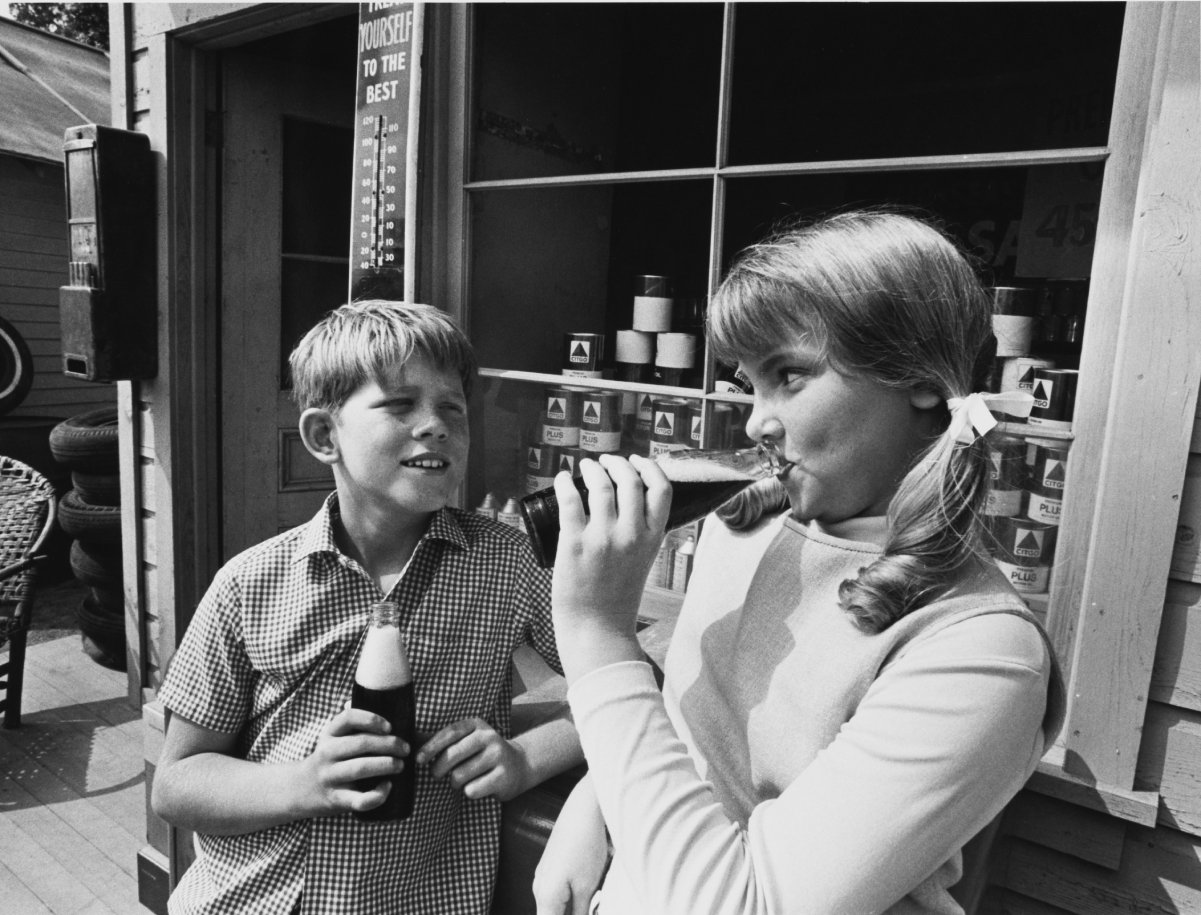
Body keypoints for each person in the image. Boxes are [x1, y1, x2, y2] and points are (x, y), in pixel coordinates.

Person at [533, 210, 1065, 915]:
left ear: (918, 377)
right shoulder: (744, 530)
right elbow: (688, 729)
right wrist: (592, 798)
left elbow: (742, 905)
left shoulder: (980, 648)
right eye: (748, 381)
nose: (756, 419)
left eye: (788, 374)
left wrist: (597, 637)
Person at [152, 300, 582, 914]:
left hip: (416, 899)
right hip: (251, 899)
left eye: (452, 407)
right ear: (325, 436)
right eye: (400, 404)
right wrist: (310, 781)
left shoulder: (506, 563)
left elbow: (628, 689)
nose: (435, 424)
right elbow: (176, 782)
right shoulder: (250, 585)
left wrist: (525, 759)